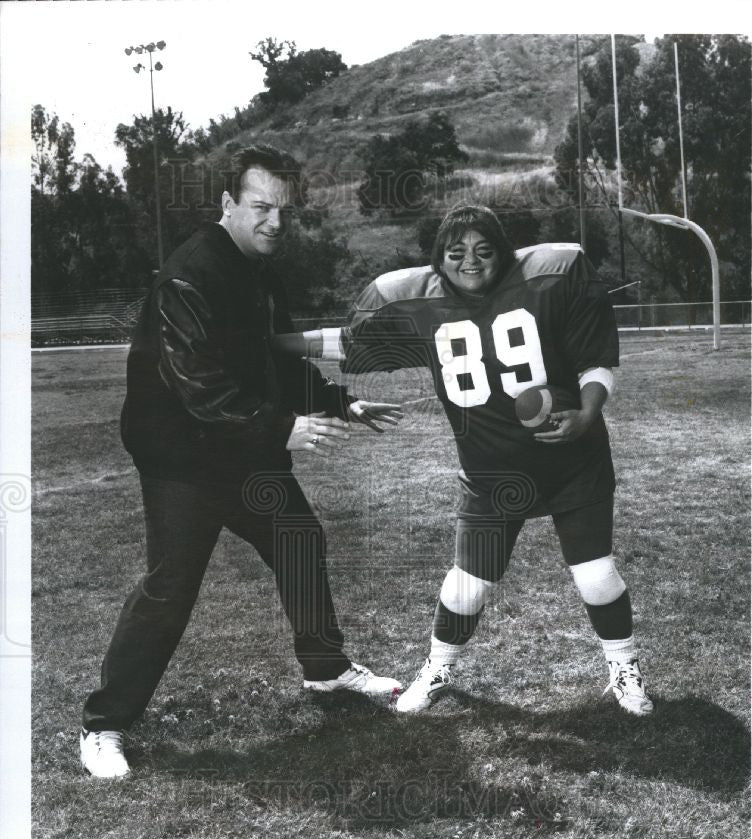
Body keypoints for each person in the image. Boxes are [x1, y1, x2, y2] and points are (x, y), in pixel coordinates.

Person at [80, 145, 403, 778]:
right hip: (183, 459)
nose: (275, 223)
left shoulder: (258, 268)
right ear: (228, 204)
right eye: (260, 208)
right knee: (171, 588)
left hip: (247, 449)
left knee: (299, 541)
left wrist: (342, 404)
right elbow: (199, 388)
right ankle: (103, 725)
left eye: (285, 211)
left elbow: (275, 360)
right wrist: (282, 429)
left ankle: (327, 671)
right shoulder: (189, 275)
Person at [276, 205, 653, 717]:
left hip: (571, 459)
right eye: (456, 254)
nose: (470, 263)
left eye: (483, 250)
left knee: (596, 575)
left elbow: (595, 357)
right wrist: (270, 344)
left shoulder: (550, 280)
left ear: (504, 253)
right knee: (467, 586)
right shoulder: (421, 306)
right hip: (490, 470)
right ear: (438, 260)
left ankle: (624, 668)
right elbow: (352, 345)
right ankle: (437, 668)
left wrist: (587, 412)